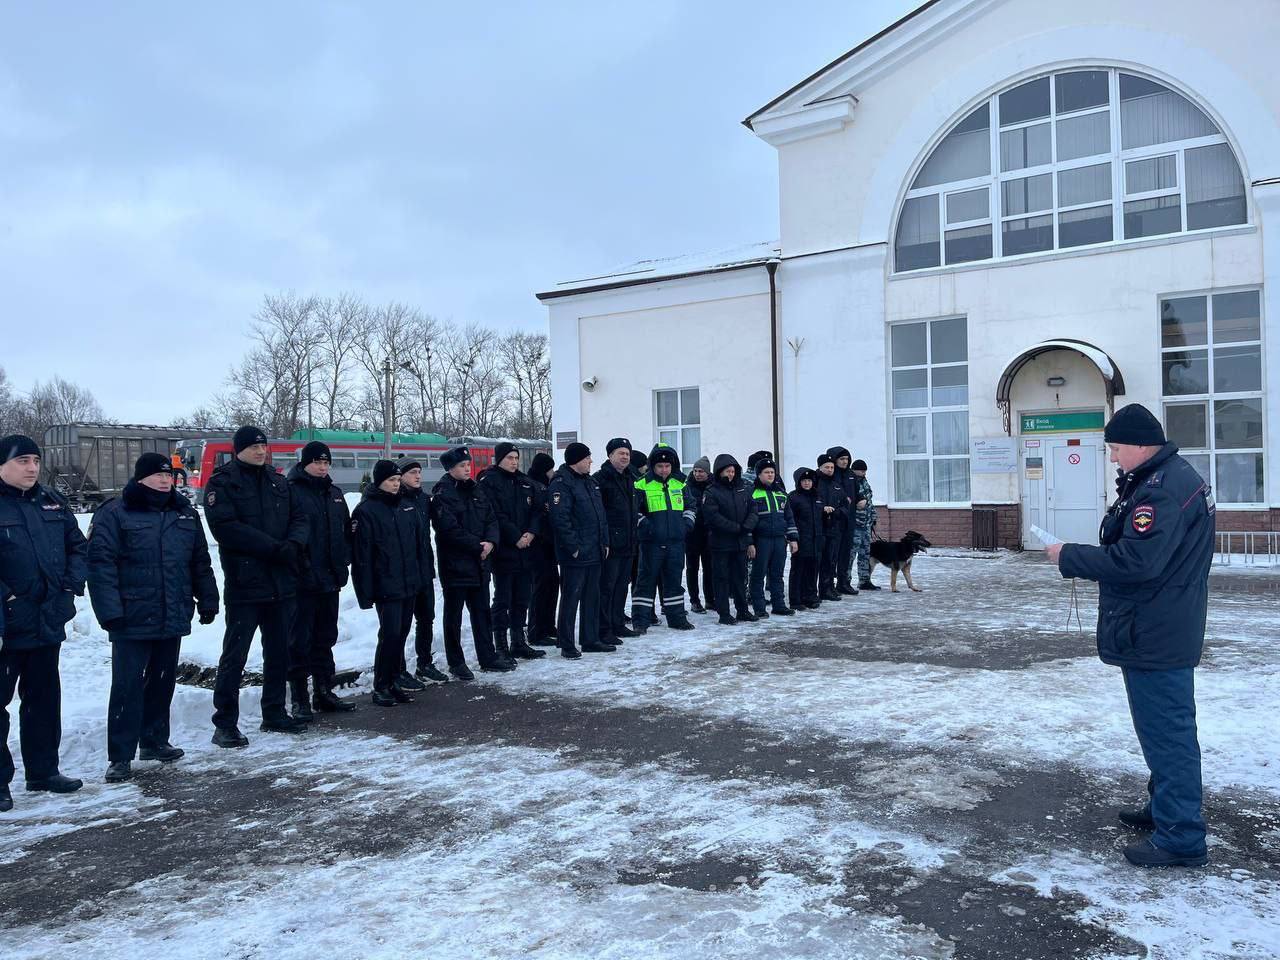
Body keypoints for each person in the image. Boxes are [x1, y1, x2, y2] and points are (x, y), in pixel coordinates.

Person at [1046, 404, 1215, 869]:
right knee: (1160, 729)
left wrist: (1069, 555)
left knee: (1168, 733)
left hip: (1156, 629)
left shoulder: (1161, 492)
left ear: (1140, 445)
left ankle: (1181, 834)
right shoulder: (1166, 480)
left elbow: (1138, 563)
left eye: (1117, 449)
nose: (1115, 458)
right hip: (1158, 623)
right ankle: (1165, 808)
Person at [88, 453, 219, 782]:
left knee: (162, 682)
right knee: (127, 686)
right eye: (158, 475)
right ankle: (120, 755)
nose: (165, 480)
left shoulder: (184, 513)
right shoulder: (116, 513)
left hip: (171, 609)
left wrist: (208, 599)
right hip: (131, 615)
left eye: (169, 475)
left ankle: (154, 740)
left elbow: (199, 561)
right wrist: (110, 613)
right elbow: (100, 566)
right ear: (141, 478)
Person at [204, 425, 309, 747]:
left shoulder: (279, 482)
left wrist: (293, 544)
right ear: (239, 449)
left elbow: (300, 517)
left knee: (279, 652)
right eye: (254, 447)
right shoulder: (223, 483)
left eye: (263, 446)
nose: (261, 451)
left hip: (281, 582)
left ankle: (274, 712)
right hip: (246, 583)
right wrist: (273, 548)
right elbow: (225, 527)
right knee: (235, 656)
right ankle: (225, 723)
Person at [0, 435, 88, 811]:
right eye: (23, 461)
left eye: (36, 460)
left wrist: (69, 588)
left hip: (47, 619)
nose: (32, 468)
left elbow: (78, 547)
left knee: (43, 700)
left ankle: (43, 771)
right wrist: (8, 598)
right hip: (6, 624)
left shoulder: (52, 501)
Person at [286, 441, 356, 719]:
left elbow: (345, 533)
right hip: (303, 581)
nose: (323, 467)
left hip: (330, 579)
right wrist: (302, 568)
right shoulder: (292, 492)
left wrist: (343, 561)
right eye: (317, 462)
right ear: (305, 463)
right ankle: (300, 698)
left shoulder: (335, 494)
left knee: (325, 638)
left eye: (326, 462)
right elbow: (290, 535)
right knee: (299, 641)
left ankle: (324, 691)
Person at [352, 461, 430, 705]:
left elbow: (420, 546)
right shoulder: (367, 511)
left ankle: (394, 680)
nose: (396, 485)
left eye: (397, 481)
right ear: (379, 482)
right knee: (390, 634)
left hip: (409, 583)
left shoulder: (407, 507)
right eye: (391, 481)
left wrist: (421, 577)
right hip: (386, 585)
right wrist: (365, 592)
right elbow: (362, 556)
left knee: (401, 633)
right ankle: (381, 685)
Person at [430, 447, 512, 679]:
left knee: (481, 612)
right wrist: (479, 546)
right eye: (461, 466)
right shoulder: (443, 493)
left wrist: (491, 543)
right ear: (450, 469)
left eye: (468, 465)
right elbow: (448, 530)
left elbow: (491, 518)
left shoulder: (476, 489)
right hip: (456, 565)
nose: (467, 469)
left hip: (480, 563)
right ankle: (457, 663)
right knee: (453, 617)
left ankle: (488, 656)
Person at [477, 442, 546, 661]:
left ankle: (519, 641)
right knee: (503, 599)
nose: (514, 462)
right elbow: (494, 514)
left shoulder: (525, 482)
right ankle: (501, 645)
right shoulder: (489, 482)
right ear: (499, 459)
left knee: (522, 598)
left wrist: (531, 533)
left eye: (516, 458)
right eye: (509, 458)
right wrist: (516, 536)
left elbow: (537, 510)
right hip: (505, 550)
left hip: (527, 549)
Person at [548, 442, 611, 657]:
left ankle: (590, 639)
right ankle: (566, 643)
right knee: (570, 598)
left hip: (594, 550)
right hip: (575, 554)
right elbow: (560, 519)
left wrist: (604, 542)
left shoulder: (590, 482)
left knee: (592, 597)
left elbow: (600, 516)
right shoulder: (561, 484)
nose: (591, 461)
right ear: (576, 460)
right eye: (587, 458)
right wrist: (573, 547)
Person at [632, 443, 696, 633]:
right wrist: (647, 528)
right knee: (645, 582)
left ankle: (676, 619)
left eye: (667, 466)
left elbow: (691, 507)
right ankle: (641, 622)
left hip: (676, 543)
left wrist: (686, 526)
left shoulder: (681, 483)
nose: (664, 470)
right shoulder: (641, 484)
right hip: (651, 544)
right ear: (653, 466)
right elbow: (634, 512)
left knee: (674, 582)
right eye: (660, 466)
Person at [398, 457, 448, 684]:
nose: (418, 476)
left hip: (424, 569)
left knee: (426, 618)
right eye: (412, 472)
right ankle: (398, 669)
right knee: (401, 624)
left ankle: (425, 663)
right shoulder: (395, 500)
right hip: (404, 571)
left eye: (419, 471)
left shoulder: (423, 500)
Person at [700, 454, 758, 626]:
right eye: (727, 471)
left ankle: (743, 610)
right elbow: (712, 517)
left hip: (740, 542)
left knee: (740, 578)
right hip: (721, 543)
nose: (730, 475)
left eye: (733, 471)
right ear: (719, 472)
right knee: (721, 578)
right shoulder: (711, 491)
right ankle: (724, 613)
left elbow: (753, 509)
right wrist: (736, 528)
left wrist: (747, 526)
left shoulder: (743, 488)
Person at [594, 438, 639, 645]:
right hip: (611, 544)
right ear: (610, 455)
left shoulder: (630, 477)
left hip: (629, 542)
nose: (625, 457)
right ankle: (604, 628)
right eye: (620, 453)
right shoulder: (601, 479)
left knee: (622, 586)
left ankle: (618, 622)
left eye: (627, 453)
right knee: (607, 588)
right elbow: (599, 514)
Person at [748, 460, 797, 617]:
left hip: (779, 540)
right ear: (759, 474)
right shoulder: (752, 493)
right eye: (766, 472)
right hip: (761, 541)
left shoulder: (781, 494)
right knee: (758, 575)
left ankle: (779, 605)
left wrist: (793, 538)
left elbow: (789, 518)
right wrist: (750, 542)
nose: (770, 475)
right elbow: (747, 521)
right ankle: (759, 608)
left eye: (772, 472)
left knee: (777, 574)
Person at [526, 451, 559, 646]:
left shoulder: (544, 486)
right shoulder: (534, 486)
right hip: (538, 546)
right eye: (550, 469)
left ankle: (548, 625)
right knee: (540, 588)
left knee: (552, 585)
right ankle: (536, 630)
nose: (552, 472)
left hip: (548, 546)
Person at [787, 467, 826, 610]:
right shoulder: (793, 497)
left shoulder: (817, 496)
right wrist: (793, 538)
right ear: (798, 482)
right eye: (804, 481)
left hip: (816, 539)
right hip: (801, 539)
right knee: (798, 570)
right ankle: (796, 600)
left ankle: (810, 596)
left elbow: (820, 518)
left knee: (813, 569)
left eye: (809, 480)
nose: (807, 483)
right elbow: (790, 519)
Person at [814, 453, 850, 602]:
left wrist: (837, 511)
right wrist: (822, 508)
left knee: (831, 560)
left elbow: (845, 504)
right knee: (819, 561)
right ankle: (817, 589)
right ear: (820, 467)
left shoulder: (836, 485)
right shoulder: (815, 483)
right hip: (819, 528)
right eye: (826, 467)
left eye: (831, 467)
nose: (829, 470)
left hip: (834, 527)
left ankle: (828, 588)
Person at [683, 456, 715, 614]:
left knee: (709, 568)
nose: (697, 474)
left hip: (709, 534)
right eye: (695, 471)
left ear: (708, 472)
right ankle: (694, 600)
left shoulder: (713, 487)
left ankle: (710, 599)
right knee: (692, 568)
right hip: (692, 534)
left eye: (701, 471)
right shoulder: (687, 486)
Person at [826, 446, 859, 595]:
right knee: (833, 554)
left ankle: (843, 582)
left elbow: (857, 493)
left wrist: (862, 499)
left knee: (846, 553)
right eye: (842, 459)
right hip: (835, 520)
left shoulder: (851, 474)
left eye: (846, 459)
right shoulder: (831, 474)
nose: (845, 462)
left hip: (849, 519)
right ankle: (829, 585)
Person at [851, 459, 880, 591]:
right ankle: (845, 581)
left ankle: (864, 580)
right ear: (854, 470)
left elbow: (869, 502)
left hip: (866, 524)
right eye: (861, 470)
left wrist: (873, 517)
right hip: (855, 525)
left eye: (865, 470)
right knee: (851, 554)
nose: (863, 472)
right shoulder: (851, 482)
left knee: (865, 554)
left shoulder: (864, 482)